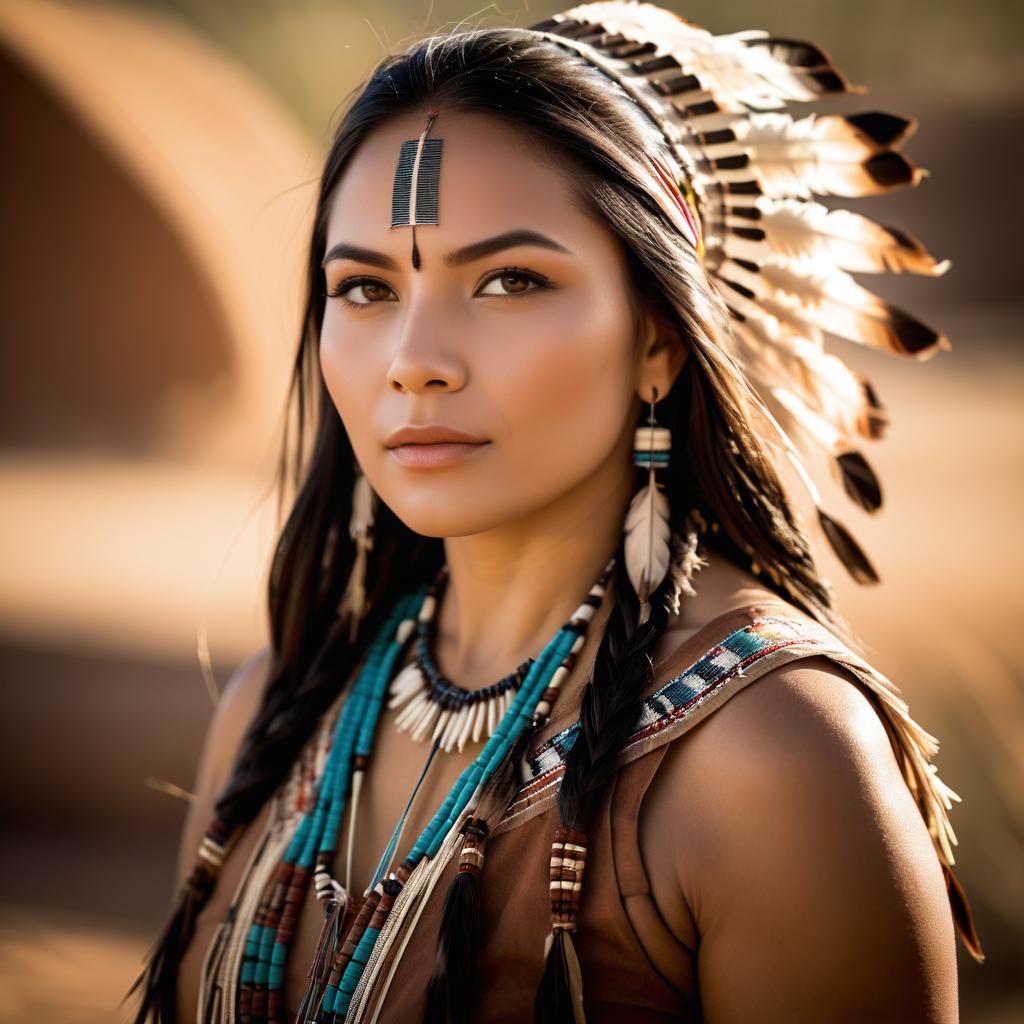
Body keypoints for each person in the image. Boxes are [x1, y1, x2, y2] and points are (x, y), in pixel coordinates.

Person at [129, 3, 984, 1022]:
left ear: (660, 338)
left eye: (508, 280)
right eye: (363, 288)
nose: (413, 360)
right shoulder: (274, 714)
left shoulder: (773, 759)